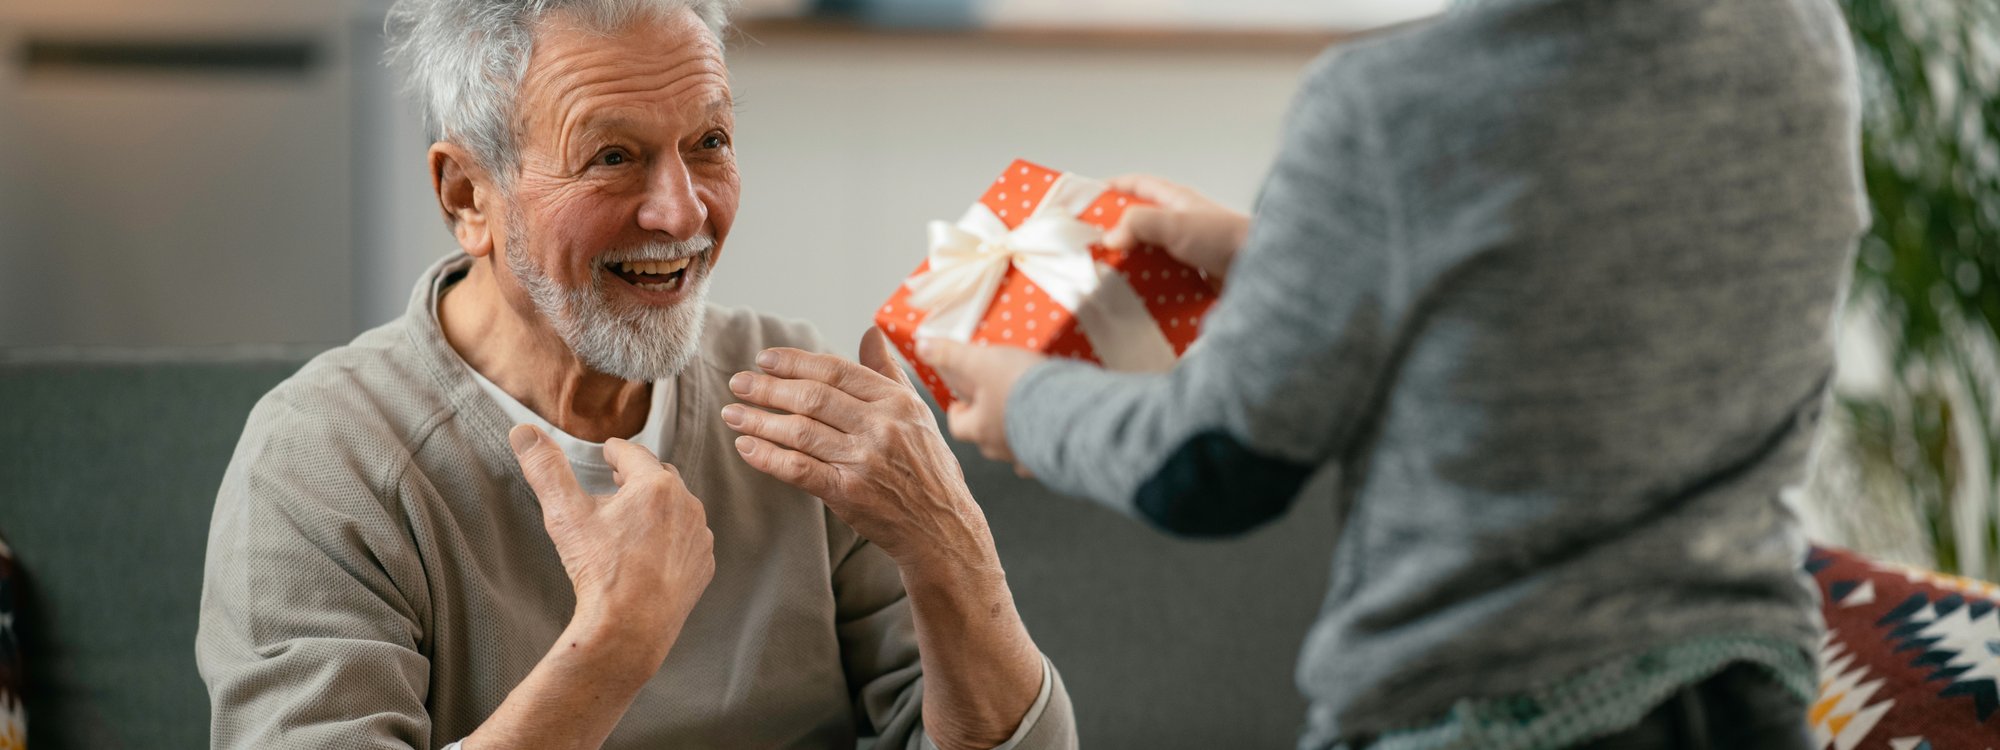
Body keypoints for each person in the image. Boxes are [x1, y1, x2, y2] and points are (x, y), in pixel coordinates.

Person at [923, 0, 1867, 747]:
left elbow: (1211, 464)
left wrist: (1026, 402)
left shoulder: (1390, 103)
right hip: (1748, 689)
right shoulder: (1794, 36)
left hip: (1483, 711)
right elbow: (1603, 277)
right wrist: (1292, 262)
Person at [195, 2, 1076, 748]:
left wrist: (951, 542)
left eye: (710, 141)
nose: (682, 210)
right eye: (612, 156)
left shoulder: (805, 407)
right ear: (468, 195)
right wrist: (614, 647)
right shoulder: (321, 461)